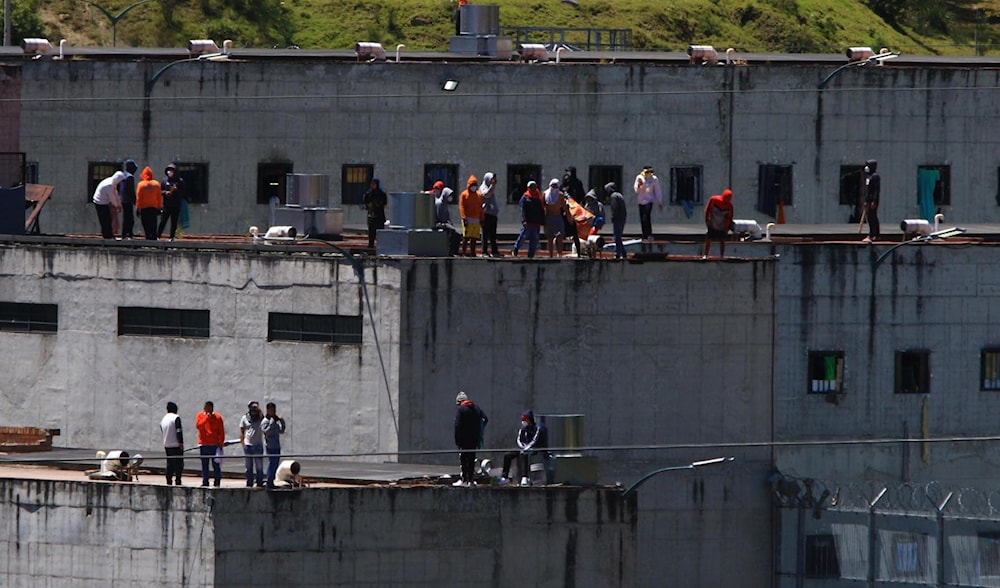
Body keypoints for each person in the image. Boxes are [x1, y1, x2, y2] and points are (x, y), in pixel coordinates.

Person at [499, 410, 547, 487]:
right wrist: (522, 447)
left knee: (525, 455)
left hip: (533, 449)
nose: (523, 422)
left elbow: (534, 440)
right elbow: (519, 440)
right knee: (507, 455)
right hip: (522, 448)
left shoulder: (537, 428)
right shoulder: (523, 429)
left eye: (525, 420)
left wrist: (526, 449)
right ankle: (505, 477)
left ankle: (525, 477)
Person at [453, 391, 487, 487]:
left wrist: (457, 439)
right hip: (474, 438)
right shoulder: (476, 408)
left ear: (460, 402)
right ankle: (471, 480)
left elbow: (458, 425)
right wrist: (480, 430)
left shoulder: (461, 410)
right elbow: (485, 418)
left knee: (464, 459)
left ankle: (464, 480)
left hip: (464, 440)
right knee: (472, 458)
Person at [633, 166, 663, 252]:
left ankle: (649, 234)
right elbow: (636, 190)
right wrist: (640, 185)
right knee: (642, 218)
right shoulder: (639, 177)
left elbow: (657, 190)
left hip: (649, 200)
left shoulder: (654, 179)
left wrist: (659, 202)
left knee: (647, 217)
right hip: (641, 201)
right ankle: (644, 235)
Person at [195, 401, 225, 487]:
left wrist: (221, 442)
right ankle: (205, 481)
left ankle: (217, 481)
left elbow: (221, 431)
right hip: (204, 445)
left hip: (214, 445)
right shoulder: (200, 416)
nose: (208, 410)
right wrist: (206, 418)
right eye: (206, 408)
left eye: (210, 408)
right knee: (205, 465)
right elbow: (198, 426)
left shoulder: (218, 417)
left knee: (216, 465)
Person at [513, 181, 544, 258]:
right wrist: (524, 220)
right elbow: (522, 210)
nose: (533, 188)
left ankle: (531, 255)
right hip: (528, 223)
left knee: (535, 240)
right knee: (523, 236)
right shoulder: (525, 198)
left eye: (534, 186)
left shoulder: (538, 197)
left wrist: (543, 220)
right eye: (531, 187)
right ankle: (516, 249)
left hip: (536, 223)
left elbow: (541, 209)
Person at [92, 170, 126, 239]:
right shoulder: (109, 185)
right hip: (100, 202)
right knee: (105, 219)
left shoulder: (112, 182)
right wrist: (117, 206)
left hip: (104, 202)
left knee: (108, 219)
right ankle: (107, 236)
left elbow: (115, 194)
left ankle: (108, 234)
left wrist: (119, 204)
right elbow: (112, 197)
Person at [157, 163, 186, 241]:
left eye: (172, 170)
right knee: (163, 221)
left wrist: (176, 191)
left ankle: (171, 237)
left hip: (176, 205)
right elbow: (160, 191)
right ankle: (158, 236)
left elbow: (183, 192)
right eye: (169, 170)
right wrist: (165, 193)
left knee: (174, 222)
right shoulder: (164, 180)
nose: (170, 172)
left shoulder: (180, 181)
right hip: (166, 205)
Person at [240, 401, 265, 487]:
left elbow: (263, 418)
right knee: (248, 466)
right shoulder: (245, 418)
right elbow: (242, 430)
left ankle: (259, 482)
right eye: (253, 407)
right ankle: (249, 482)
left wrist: (258, 409)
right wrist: (243, 442)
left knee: (259, 466)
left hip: (257, 445)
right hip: (248, 445)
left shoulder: (260, 417)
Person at [432, 181, 461, 256]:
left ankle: (455, 251)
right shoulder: (435, 199)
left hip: (445, 222)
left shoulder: (442, 198)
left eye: (438, 188)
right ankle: (450, 252)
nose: (436, 190)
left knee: (457, 235)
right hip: (438, 222)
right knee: (451, 231)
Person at [704, 188, 735, 259]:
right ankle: (705, 255)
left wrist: (726, 228)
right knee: (708, 239)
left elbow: (729, 218)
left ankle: (721, 256)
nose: (726, 202)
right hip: (712, 223)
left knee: (722, 241)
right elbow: (707, 210)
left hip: (722, 226)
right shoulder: (714, 200)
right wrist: (707, 220)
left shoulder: (730, 206)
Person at [261, 402, 286, 489]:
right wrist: (272, 422)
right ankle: (269, 482)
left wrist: (282, 423)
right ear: (268, 410)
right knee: (272, 464)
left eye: (274, 410)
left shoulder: (275, 422)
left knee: (275, 464)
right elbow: (266, 432)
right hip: (270, 446)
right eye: (271, 410)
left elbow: (281, 431)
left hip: (277, 445)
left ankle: (271, 482)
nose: (273, 412)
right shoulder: (265, 421)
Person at [159, 401, 184, 486]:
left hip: (167, 444)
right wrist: (181, 442)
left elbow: (162, 430)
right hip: (176, 445)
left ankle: (168, 480)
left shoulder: (163, 419)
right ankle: (178, 480)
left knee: (169, 464)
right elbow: (178, 431)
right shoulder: (176, 418)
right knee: (178, 464)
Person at [135, 166, 161, 241]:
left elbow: (139, 198)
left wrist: (137, 208)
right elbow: (159, 197)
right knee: (153, 224)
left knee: (146, 225)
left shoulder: (141, 185)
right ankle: (154, 239)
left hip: (144, 208)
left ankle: (148, 238)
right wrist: (159, 207)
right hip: (153, 208)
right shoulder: (156, 184)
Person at [458, 175, 482, 256]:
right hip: (467, 219)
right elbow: (462, 207)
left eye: (475, 185)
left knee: (474, 238)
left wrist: (482, 218)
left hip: (476, 219)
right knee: (466, 237)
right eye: (472, 185)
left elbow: (480, 207)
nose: (474, 187)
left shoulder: (479, 195)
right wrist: (464, 218)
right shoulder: (464, 194)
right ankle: (463, 252)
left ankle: (473, 252)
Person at [542, 178, 566, 257]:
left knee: (559, 237)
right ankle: (551, 255)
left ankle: (559, 254)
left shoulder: (560, 195)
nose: (554, 188)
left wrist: (569, 217)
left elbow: (564, 207)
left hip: (558, 218)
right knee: (550, 238)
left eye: (556, 186)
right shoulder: (545, 194)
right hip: (548, 218)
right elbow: (542, 206)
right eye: (553, 186)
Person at [362, 178, 388, 249]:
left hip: (379, 216)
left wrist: (378, 205)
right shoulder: (368, 194)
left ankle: (381, 246)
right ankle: (371, 246)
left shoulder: (382, 194)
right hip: (371, 216)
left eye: (374, 184)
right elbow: (365, 203)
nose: (372, 186)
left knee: (380, 233)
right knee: (371, 233)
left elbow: (385, 205)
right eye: (371, 184)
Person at [479, 172, 501, 257]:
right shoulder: (483, 187)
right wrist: (492, 186)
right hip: (486, 214)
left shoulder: (491, 188)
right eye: (491, 179)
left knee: (493, 234)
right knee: (485, 234)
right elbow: (486, 195)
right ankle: (484, 251)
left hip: (492, 215)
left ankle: (494, 251)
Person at [608, 182, 628, 260]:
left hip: (618, 219)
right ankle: (622, 252)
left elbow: (615, 208)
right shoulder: (619, 195)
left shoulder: (613, 196)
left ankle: (618, 253)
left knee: (617, 237)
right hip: (622, 218)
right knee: (618, 237)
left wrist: (613, 217)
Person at [862, 159, 881, 242]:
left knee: (872, 217)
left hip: (873, 201)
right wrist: (866, 201)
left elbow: (876, 190)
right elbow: (868, 190)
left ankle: (874, 234)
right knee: (869, 217)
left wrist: (874, 201)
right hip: (869, 200)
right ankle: (872, 234)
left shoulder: (875, 176)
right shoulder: (869, 177)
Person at [119, 159, 138, 239]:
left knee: (126, 218)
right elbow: (130, 191)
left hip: (123, 199)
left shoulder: (124, 175)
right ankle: (128, 234)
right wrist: (135, 201)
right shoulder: (130, 177)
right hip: (127, 200)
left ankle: (125, 234)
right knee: (129, 218)